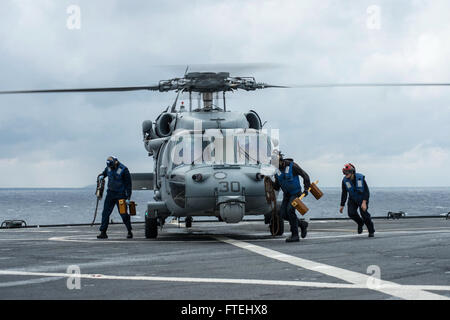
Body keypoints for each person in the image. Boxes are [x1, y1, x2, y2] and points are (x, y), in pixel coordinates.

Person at [271, 151, 311, 243]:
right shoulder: (277, 171)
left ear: (281, 160)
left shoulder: (292, 166)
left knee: (290, 210)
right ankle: (302, 224)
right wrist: (270, 182)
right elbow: (277, 186)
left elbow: (305, 176)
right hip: (287, 195)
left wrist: (306, 188)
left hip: (296, 193)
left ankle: (295, 235)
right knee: (283, 214)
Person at [96, 156, 133, 239]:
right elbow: (104, 173)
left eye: (112, 166)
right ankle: (103, 232)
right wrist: (101, 176)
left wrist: (128, 198)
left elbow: (128, 185)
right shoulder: (108, 168)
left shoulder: (123, 169)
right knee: (105, 213)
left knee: (123, 214)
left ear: (115, 162)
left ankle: (129, 231)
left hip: (121, 195)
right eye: (110, 166)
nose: (111, 168)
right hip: (110, 194)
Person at [339, 163, 375, 237]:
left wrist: (364, 202)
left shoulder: (360, 178)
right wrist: (342, 205)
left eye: (347, 172)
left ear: (352, 172)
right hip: (352, 199)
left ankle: (371, 230)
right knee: (351, 213)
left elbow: (366, 191)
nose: (345, 174)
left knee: (364, 215)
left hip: (362, 198)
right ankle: (360, 223)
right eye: (344, 173)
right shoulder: (345, 181)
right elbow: (344, 193)